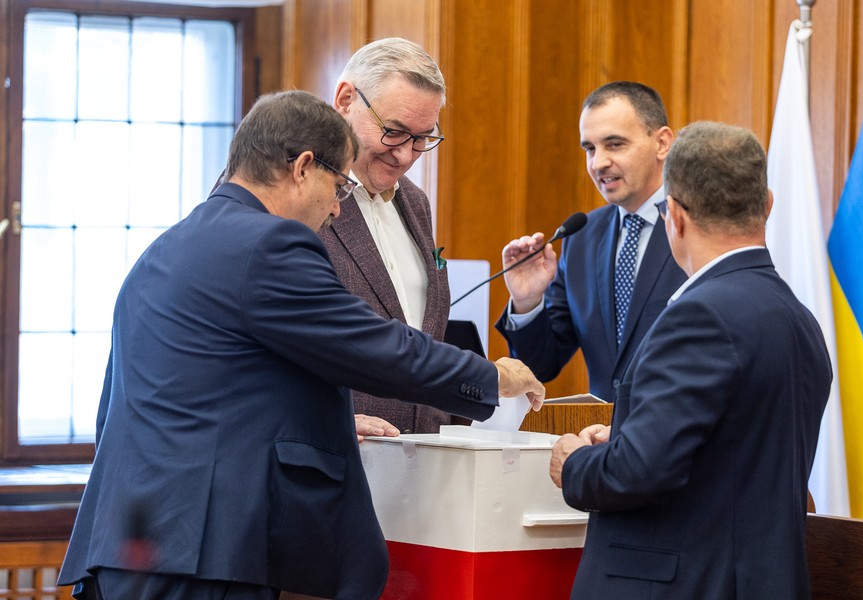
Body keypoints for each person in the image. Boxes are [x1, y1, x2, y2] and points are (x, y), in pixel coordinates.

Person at [57, 90, 545, 600]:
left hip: (131, 546)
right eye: (339, 186)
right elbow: (373, 346)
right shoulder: (269, 243)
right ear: (303, 167)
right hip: (207, 552)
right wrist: (492, 377)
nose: (336, 208)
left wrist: (318, 420)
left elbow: (181, 398)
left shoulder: (166, 247)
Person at [549, 121, 832, 599]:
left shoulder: (697, 316)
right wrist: (631, 433)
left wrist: (574, 463)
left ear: (674, 216)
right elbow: (734, 449)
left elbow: (635, 474)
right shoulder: (799, 317)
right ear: (767, 205)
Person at [496, 81, 687, 401]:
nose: (598, 163)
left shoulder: (698, 227)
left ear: (662, 143)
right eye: (590, 149)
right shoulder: (582, 237)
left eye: (615, 144)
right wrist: (527, 302)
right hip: (601, 430)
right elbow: (540, 366)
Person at [319, 38, 452, 433]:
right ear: (345, 100)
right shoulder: (294, 190)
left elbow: (422, 337)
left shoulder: (416, 202)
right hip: (331, 453)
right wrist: (324, 422)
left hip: (420, 454)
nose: (406, 155)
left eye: (422, 138)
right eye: (394, 131)